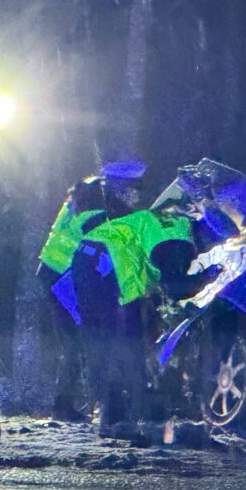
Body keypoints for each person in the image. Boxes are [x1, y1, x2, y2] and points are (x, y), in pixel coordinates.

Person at [70, 159, 196, 436]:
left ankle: (113, 414)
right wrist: (208, 277)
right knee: (128, 343)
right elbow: (174, 285)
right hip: (107, 268)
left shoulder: (158, 220)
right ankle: (135, 417)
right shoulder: (176, 231)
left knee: (109, 341)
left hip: (88, 262)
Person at [37, 175, 106, 421]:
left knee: (72, 343)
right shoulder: (95, 217)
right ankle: (63, 406)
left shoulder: (71, 207)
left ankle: (65, 404)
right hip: (63, 280)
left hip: (50, 273)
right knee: (76, 344)